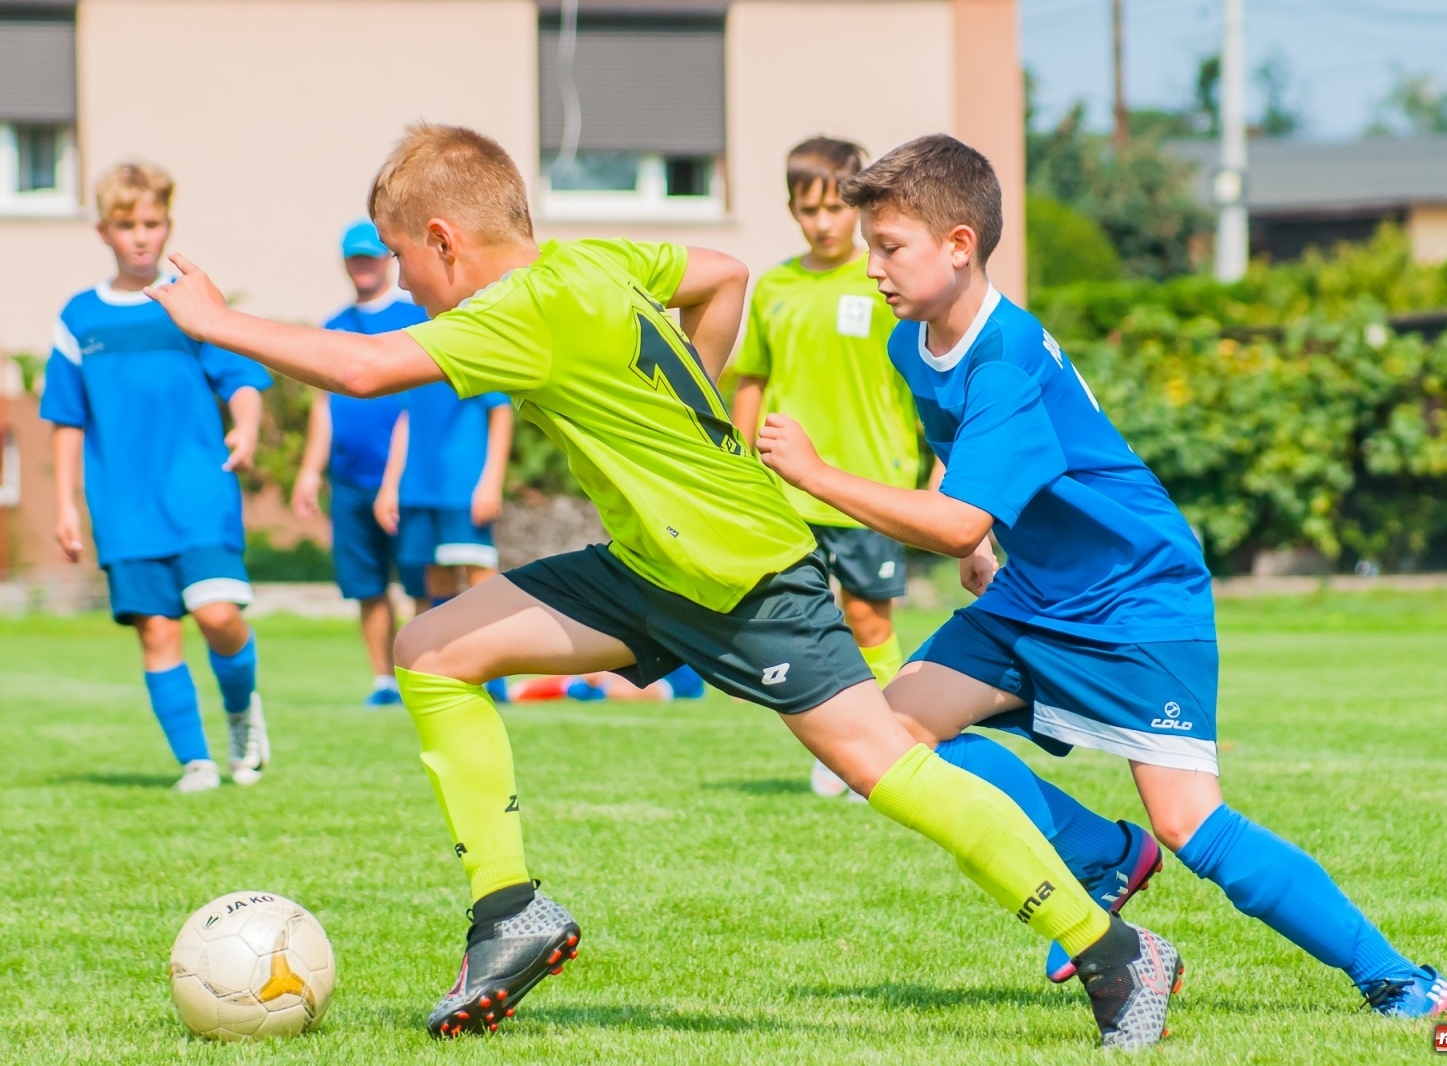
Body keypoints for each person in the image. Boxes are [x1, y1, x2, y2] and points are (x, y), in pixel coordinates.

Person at [147, 123, 1180, 1050]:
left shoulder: (522, 307)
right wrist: (688, 430)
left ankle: (1112, 949)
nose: (407, 283)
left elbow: (358, 367)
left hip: (740, 575)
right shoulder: (593, 262)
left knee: (884, 766)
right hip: (647, 565)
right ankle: (510, 912)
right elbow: (722, 271)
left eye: (406, 260)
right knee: (432, 650)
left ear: (443, 237)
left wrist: (212, 320)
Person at [755, 133, 1447, 1020]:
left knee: (1190, 826)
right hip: (1036, 591)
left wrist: (821, 477)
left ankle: (1398, 978)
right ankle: (1099, 854)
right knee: (887, 740)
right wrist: (981, 543)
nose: (872, 269)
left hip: (1136, 597)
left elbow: (958, 516)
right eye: (871, 249)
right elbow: (966, 476)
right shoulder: (915, 343)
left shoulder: (1005, 357)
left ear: (960, 245)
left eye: (889, 247)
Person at [42, 162, 271, 792]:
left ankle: (240, 712)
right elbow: (65, 419)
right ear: (103, 231)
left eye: (152, 222)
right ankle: (195, 763)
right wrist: (65, 505)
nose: (141, 236)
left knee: (220, 615)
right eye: (126, 225)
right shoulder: (79, 318)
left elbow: (243, 377)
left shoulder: (186, 302)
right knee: (158, 629)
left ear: (168, 224)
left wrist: (245, 426)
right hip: (124, 506)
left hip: (198, 492)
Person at [730, 137, 920, 799]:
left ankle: (895, 742)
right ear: (792, 210)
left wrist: (935, 465)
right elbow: (750, 377)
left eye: (836, 208)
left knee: (869, 622)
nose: (824, 223)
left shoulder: (884, 279)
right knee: (804, 628)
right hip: (789, 490)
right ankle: (840, 746)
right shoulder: (775, 286)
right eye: (809, 209)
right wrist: (738, 461)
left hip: (871, 484)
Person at [291, 220, 430, 708]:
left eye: (371, 257)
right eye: (355, 259)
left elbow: (422, 405)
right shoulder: (335, 326)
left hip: (408, 481)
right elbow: (322, 406)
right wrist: (310, 469)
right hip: (350, 480)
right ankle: (383, 680)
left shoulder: (413, 318)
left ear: (387, 261)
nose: (363, 267)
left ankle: (424, 673)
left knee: (419, 581)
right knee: (367, 586)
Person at [372, 316, 513, 702]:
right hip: (418, 488)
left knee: (480, 577)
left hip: (462, 489)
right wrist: (390, 485)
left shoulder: (472, 340)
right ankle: (441, 667)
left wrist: (491, 480)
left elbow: (501, 410)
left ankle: (497, 672)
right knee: (434, 582)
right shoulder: (414, 343)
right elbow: (406, 419)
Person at [510, 664, 705, 703]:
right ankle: (530, 690)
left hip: (680, 682)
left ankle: (564, 686)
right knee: (612, 687)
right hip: (647, 672)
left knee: (618, 691)